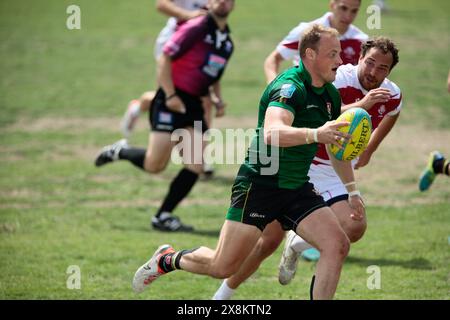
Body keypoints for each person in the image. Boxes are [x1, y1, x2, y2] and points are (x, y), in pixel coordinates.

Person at [131, 24, 365, 300]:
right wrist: (316, 134)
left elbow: (335, 144)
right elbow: (272, 132)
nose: (340, 61)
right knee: (221, 266)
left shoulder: (329, 95)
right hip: (261, 184)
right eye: (333, 54)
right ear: (310, 55)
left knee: (337, 245)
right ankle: (168, 259)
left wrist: (352, 190)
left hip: (297, 186)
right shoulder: (289, 88)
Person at [212, 36, 402, 299]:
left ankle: (298, 242)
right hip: (302, 162)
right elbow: (319, 116)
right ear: (359, 58)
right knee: (266, 243)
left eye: (383, 68)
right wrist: (363, 104)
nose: (374, 71)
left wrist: (370, 149)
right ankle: (222, 296)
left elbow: (393, 113)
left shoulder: (391, 93)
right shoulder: (338, 79)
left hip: (333, 165)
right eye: (370, 63)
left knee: (352, 229)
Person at [95, 0, 234, 232]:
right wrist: (170, 95)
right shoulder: (195, 28)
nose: (224, 2)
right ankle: (120, 151)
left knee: (196, 165)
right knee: (155, 165)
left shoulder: (227, 43)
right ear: (209, 2)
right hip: (171, 100)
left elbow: (213, 73)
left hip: (195, 104)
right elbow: (165, 58)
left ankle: (163, 215)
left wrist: (217, 99)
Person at [121, 0, 208, 139]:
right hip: (175, 43)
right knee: (168, 95)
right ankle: (139, 107)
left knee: (204, 99)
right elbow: (161, 4)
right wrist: (189, 15)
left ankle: (200, 152)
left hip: (201, 44)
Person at [264, 0, 368, 85]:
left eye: (354, 11)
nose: (348, 16)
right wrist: (274, 86)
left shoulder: (361, 40)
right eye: (343, 8)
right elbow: (273, 59)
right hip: (306, 99)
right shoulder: (308, 32)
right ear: (332, 4)